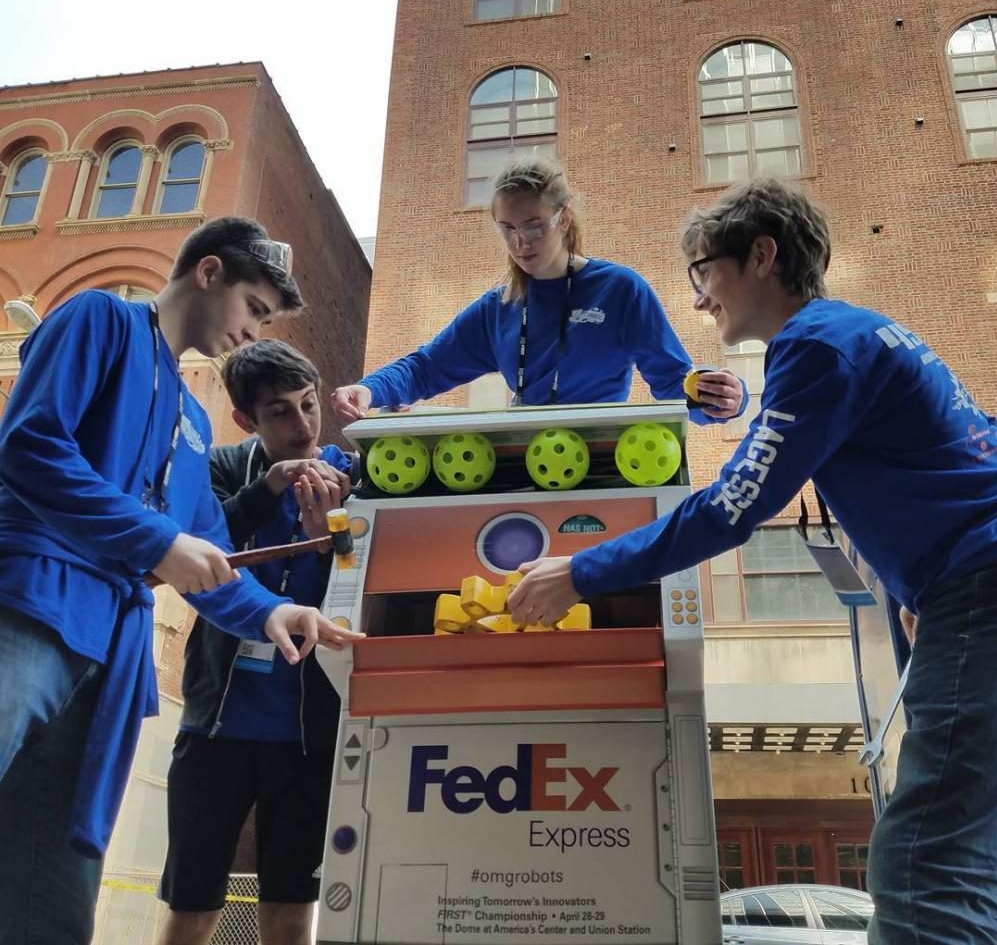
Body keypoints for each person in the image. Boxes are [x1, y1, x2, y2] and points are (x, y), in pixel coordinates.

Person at [507, 178, 997, 944]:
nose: (700, 301)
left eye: (705, 272)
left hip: (980, 593)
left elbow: (735, 503)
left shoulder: (816, 346)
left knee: (921, 866)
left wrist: (578, 572)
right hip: (965, 590)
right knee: (966, 858)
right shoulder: (867, 333)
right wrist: (920, 584)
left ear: (762, 255)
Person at [0, 218, 362, 945]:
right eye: (254, 308)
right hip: (30, 609)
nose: (255, 331)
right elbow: (29, 444)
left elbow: (212, 560)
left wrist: (275, 615)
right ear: (208, 273)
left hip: (108, 665)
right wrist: (158, 540)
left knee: (57, 874)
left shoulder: (195, 424)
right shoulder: (98, 318)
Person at [159, 339, 355, 945]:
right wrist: (265, 490)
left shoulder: (355, 475)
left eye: (308, 404)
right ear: (246, 419)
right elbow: (198, 550)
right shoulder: (220, 468)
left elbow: (360, 593)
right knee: (191, 905)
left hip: (309, 735)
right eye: (279, 411)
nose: (303, 426)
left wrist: (333, 542)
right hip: (214, 726)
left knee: (292, 907)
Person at [332, 155, 746, 421]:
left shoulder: (620, 291)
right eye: (507, 229)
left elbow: (675, 381)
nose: (520, 243)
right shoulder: (499, 307)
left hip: (603, 466)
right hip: (525, 464)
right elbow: (425, 367)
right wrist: (367, 389)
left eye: (533, 226)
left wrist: (724, 398)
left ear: (563, 220)